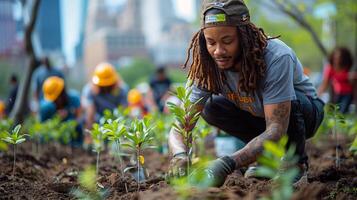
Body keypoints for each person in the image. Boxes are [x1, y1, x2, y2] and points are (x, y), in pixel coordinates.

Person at [167, 0, 325, 187]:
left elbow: (276, 128)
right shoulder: (208, 67)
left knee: (293, 101)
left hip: (304, 115)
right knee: (211, 107)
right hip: (258, 116)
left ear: (244, 36)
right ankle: (265, 159)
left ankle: (295, 164)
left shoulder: (276, 57)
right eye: (211, 42)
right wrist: (179, 155)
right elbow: (181, 124)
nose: (218, 51)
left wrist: (226, 163)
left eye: (227, 41)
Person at [40, 76, 83, 146]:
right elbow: (42, 127)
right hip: (55, 137)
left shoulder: (74, 99)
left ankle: (78, 147)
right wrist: (57, 118)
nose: (56, 101)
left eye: (57, 98)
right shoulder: (47, 108)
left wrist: (70, 119)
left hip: (71, 134)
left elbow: (79, 117)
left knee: (78, 126)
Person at [85, 62, 128, 129]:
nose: (105, 88)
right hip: (99, 124)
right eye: (103, 86)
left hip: (117, 124)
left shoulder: (122, 90)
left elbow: (124, 112)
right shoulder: (90, 91)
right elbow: (90, 114)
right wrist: (89, 131)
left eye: (108, 85)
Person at [318, 47, 354, 113]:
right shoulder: (330, 68)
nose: (336, 59)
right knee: (335, 111)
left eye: (339, 57)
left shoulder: (347, 67)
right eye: (335, 57)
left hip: (347, 94)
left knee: (343, 111)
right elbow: (325, 84)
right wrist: (317, 96)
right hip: (337, 94)